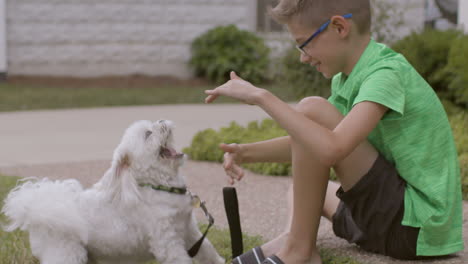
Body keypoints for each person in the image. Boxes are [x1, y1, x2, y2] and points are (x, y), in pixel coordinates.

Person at [204, 0, 464, 263]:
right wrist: (245, 152)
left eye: (304, 43)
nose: (303, 57)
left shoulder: (386, 74)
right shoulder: (347, 78)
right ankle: (291, 240)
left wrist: (261, 96)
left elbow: (332, 148)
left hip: (415, 226)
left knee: (311, 109)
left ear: (339, 27)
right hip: (389, 222)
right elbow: (310, 141)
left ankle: (299, 250)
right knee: (302, 191)